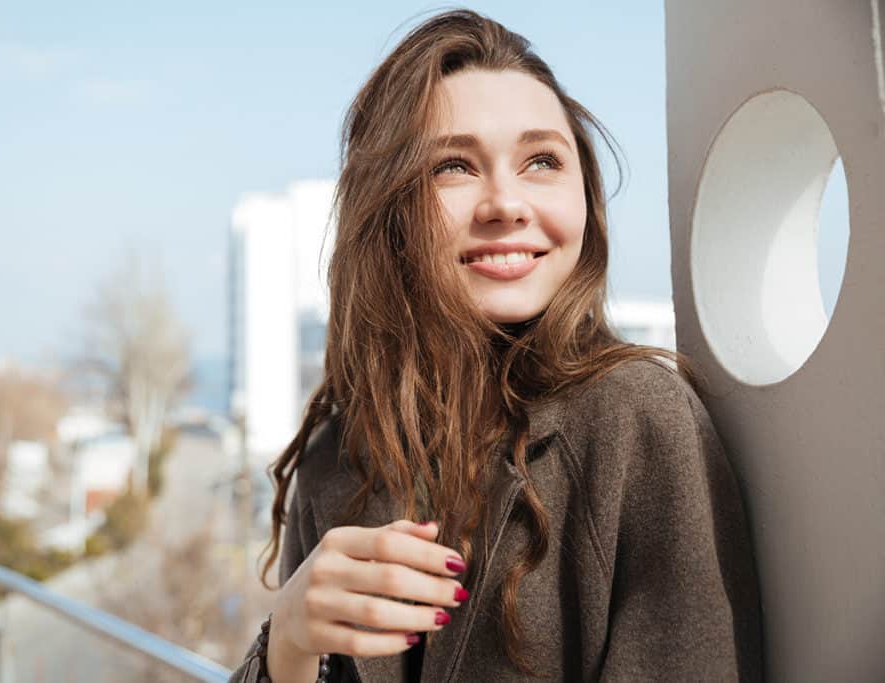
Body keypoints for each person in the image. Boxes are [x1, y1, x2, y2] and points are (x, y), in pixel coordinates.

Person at [229, 8, 763, 682]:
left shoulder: (636, 423)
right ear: (389, 210)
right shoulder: (339, 456)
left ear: (585, 198)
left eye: (542, 160)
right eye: (454, 166)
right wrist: (289, 644)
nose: (505, 203)